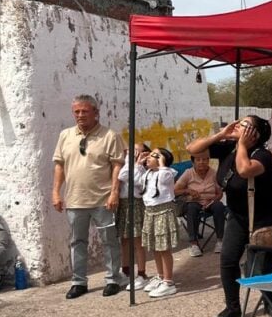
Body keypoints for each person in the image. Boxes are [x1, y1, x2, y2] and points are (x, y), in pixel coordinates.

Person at [187, 116, 272, 317]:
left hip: (264, 217)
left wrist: (242, 144)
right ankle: (232, 307)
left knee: (263, 265)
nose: (237, 124)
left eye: (244, 124)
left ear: (254, 134)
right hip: (239, 215)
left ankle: (270, 302)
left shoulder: (263, 155)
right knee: (228, 260)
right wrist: (221, 135)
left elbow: (244, 169)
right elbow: (193, 148)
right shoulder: (229, 148)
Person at [51, 94, 127, 299]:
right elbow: (59, 165)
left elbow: (117, 166)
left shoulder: (110, 136)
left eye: (85, 111)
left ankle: (113, 279)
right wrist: (56, 192)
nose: (80, 115)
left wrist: (114, 193)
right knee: (77, 242)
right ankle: (79, 282)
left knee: (109, 241)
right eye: (76, 111)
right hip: (75, 199)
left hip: (103, 199)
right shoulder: (65, 135)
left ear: (96, 112)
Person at [137, 148, 181, 298]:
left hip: (163, 212)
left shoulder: (167, 173)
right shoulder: (148, 174)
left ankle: (168, 282)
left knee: (164, 248)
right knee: (155, 247)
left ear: (163, 160)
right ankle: (161, 275)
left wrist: (161, 163)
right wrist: (139, 163)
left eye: (155, 155)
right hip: (150, 212)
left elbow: (164, 178)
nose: (150, 157)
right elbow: (132, 178)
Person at [174, 150, 225, 256]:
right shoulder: (188, 173)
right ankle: (194, 244)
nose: (202, 162)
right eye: (199, 160)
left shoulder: (213, 173)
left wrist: (213, 200)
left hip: (210, 202)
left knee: (219, 206)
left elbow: (219, 193)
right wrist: (188, 191)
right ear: (193, 162)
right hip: (194, 202)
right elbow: (175, 190)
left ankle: (220, 241)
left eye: (205, 159)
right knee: (191, 207)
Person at [117, 143, 150, 287]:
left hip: (135, 204)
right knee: (124, 239)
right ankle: (125, 270)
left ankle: (142, 273)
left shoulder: (143, 169)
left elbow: (130, 178)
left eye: (136, 150)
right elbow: (122, 175)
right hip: (123, 204)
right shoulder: (126, 165)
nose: (131, 153)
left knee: (137, 241)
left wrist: (136, 163)